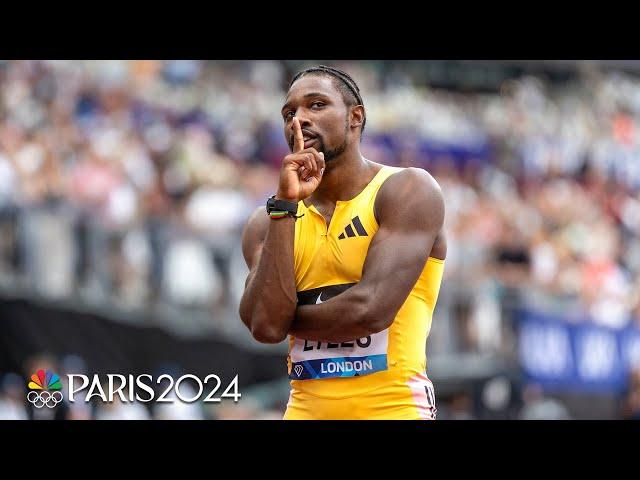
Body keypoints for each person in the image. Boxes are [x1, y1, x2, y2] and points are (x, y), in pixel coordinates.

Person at [239, 65, 446, 419]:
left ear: (355, 116)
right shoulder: (269, 220)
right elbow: (264, 325)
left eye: (316, 105)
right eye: (289, 113)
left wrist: (286, 317)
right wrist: (285, 206)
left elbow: (370, 310)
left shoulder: (406, 190)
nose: (299, 120)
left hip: (393, 409)